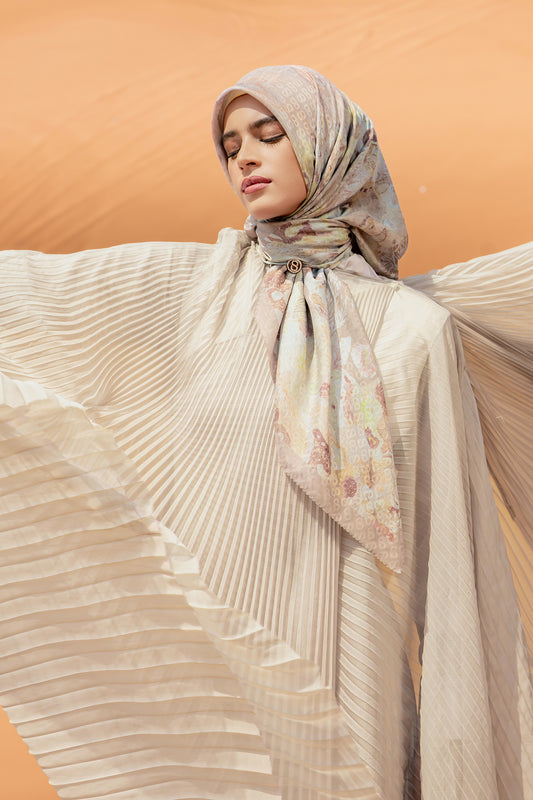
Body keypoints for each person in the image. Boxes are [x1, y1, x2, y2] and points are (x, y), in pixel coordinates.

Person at [0, 65, 531, 800]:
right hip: (214, 661)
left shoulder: (414, 331)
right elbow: (31, 301)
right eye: (230, 146)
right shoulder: (193, 288)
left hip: (347, 660)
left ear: (330, 147)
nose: (244, 157)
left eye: (269, 134)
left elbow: (447, 557)